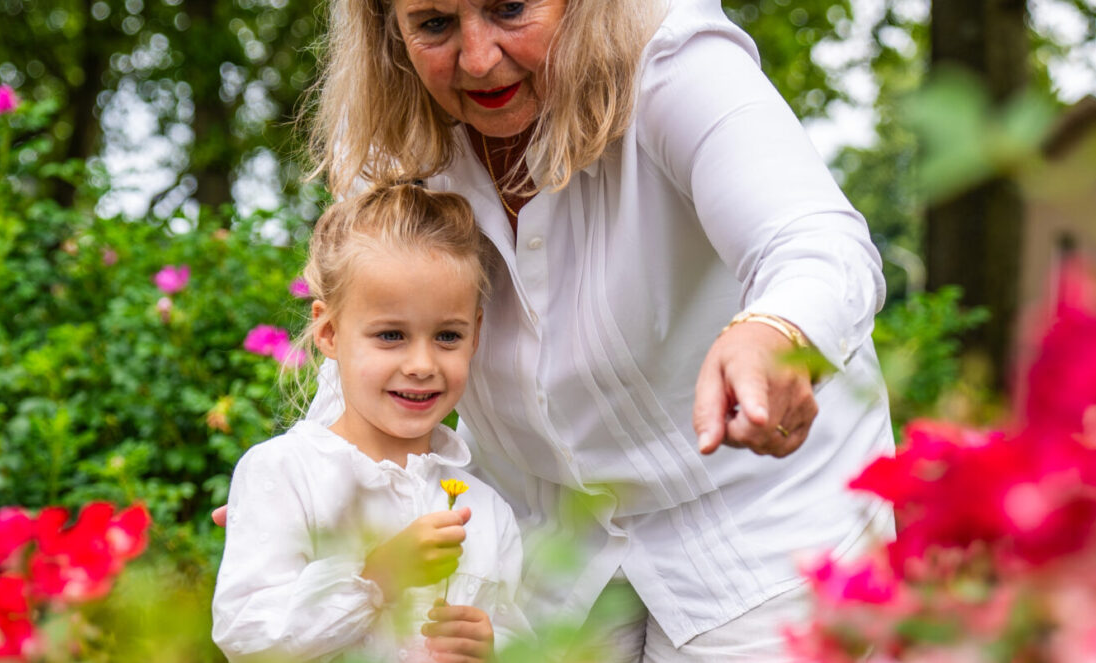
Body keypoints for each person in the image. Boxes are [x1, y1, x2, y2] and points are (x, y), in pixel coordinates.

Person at [220, 0, 897, 659]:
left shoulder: (675, 64)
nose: (479, 59)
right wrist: (312, 486)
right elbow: (372, 326)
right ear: (387, 31)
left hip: (760, 527)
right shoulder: (398, 134)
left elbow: (816, 242)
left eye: (511, 9)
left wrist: (775, 329)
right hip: (552, 544)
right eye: (434, 24)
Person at [211, 184, 530, 663]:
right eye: (391, 335)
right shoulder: (285, 473)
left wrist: (494, 646)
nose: (422, 363)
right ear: (330, 332)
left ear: (476, 333)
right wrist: (375, 578)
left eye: (447, 335)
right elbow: (246, 635)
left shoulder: (485, 508)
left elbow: (525, 637)